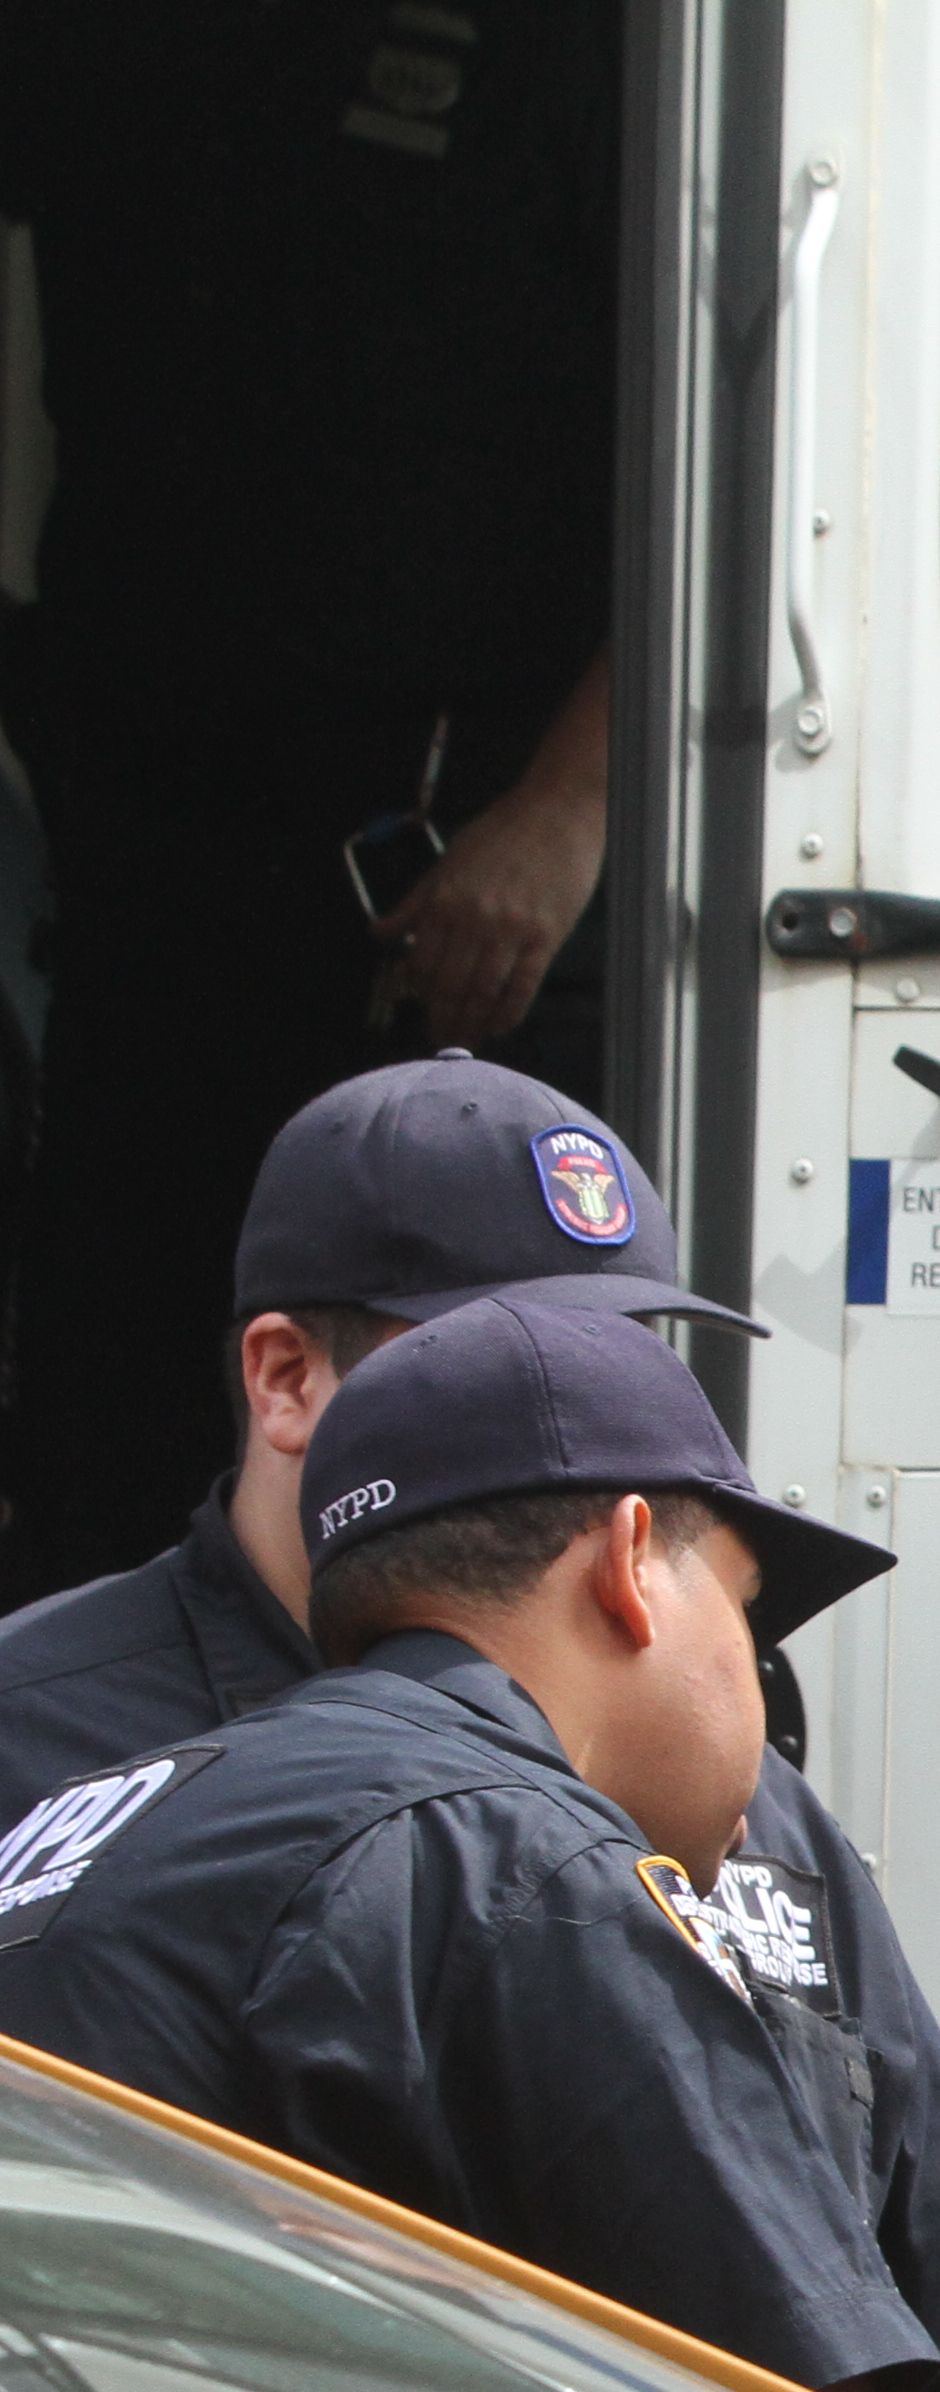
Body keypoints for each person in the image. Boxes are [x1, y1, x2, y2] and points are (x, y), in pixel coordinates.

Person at [0, 1055, 940, 2392]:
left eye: (634, 1349)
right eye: (499, 1338)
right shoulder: (46, 1735)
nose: (570, 1401)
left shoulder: (755, 1822)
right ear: (283, 1378)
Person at [0, 1298, 923, 2392]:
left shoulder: (120, 1806)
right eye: (744, 1601)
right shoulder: (524, 1859)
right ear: (631, 1562)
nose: (753, 1662)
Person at [0, 0, 625, 1587]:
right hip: (148, 868)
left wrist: (572, 804)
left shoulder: (582, 47)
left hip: (457, 882)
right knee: (124, 1452)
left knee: (448, 1480)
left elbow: (762, 456)